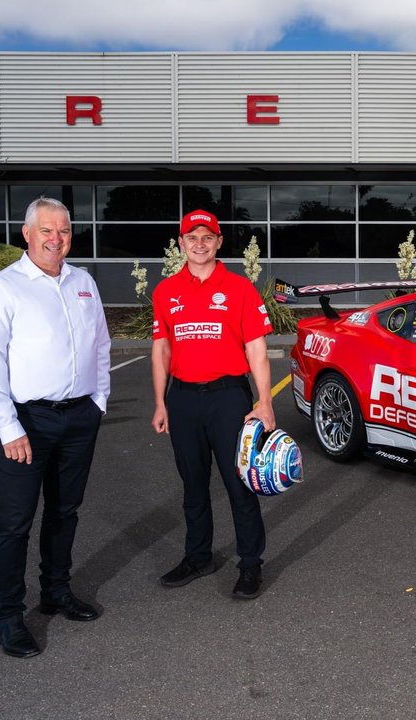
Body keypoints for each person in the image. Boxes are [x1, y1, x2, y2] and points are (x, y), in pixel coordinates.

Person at [0, 197, 111, 659]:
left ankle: (56, 591)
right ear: (27, 234)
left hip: (79, 417)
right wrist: (7, 427)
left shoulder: (83, 282)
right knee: (14, 523)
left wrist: (98, 400)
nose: (56, 239)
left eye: (64, 230)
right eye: (46, 230)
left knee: (65, 511)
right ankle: (8, 616)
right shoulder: (2, 289)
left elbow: (101, 344)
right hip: (26, 422)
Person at [150, 209, 274, 599]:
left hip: (228, 398)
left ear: (219, 242)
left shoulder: (239, 288)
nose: (199, 244)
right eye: (192, 237)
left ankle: (250, 564)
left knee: (239, 484)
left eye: (207, 237)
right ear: (181, 243)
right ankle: (198, 557)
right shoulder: (165, 291)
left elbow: (257, 350)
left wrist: (266, 402)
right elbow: (161, 350)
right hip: (183, 399)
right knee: (193, 486)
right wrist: (160, 403)